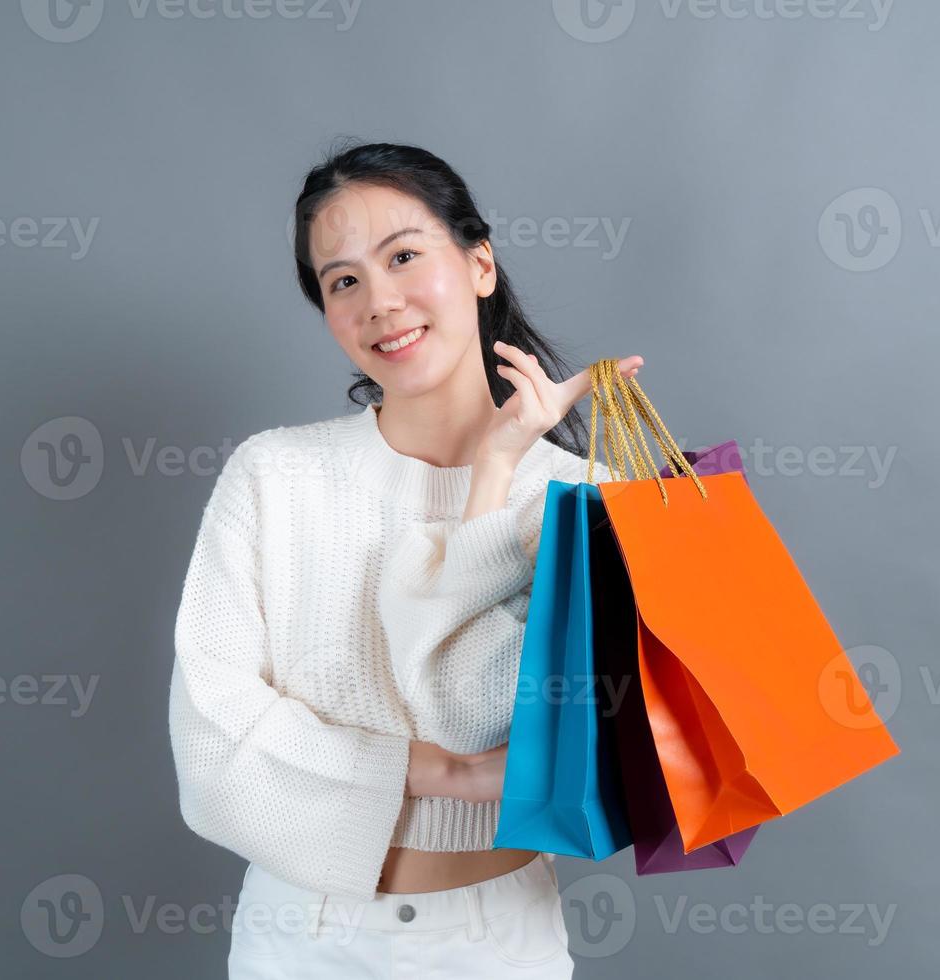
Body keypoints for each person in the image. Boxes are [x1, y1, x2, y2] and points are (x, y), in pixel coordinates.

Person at [168, 141, 640, 978]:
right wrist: (447, 776)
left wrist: (492, 479)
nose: (380, 302)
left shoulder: (584, 499)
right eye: (344, 280)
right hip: (301, 939)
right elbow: (215, 750)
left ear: (480, 263)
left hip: (497, 942)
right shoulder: (275, 477)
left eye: (404, 257)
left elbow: (479, 710)